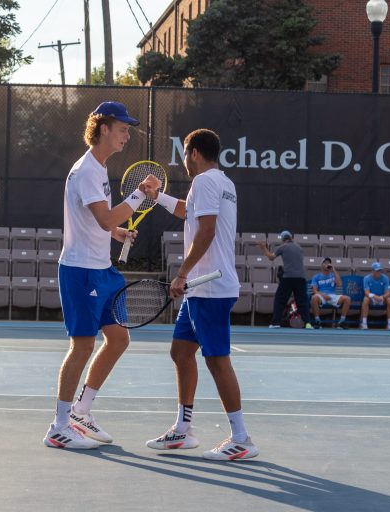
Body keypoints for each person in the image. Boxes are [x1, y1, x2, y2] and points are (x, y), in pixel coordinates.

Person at [139, 128, 259, 460]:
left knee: (217, 360)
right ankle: (182, 430)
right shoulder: (223, 183)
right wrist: (157, 195)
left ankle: (242, 438)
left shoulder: (205, 182)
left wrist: (182, 273)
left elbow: (206, 230)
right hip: (201, 289)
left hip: (210, 288)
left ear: (193, 153)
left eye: (184, 155)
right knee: (180, 352)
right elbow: (187, 212)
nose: (183, 162)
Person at [43, 101, 147, 450]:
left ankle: (81, 412)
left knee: (118, 339)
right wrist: (139, 195)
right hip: (81, 271)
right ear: (103, 128)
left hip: (102, 269)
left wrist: (116, 234)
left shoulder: (99, 169)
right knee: (83, 345)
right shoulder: (87, 170)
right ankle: (58, 426)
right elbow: (105, 218)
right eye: (122, 128)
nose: (126, 134)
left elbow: (99, 222)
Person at [257, 232, 312, 329]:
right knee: (302, 301)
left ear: (283, 239)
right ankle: (308, 323)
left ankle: (275, 323)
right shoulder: (299, 248)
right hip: (301, 278)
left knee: (280, 300)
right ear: (291, 238)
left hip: (288, 277)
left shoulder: (283, 247)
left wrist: (263, 247)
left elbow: (271, 257)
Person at [310, 257, 350, 329]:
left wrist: (334, 269)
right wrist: (324, 295)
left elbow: (339, 284)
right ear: (321, 265)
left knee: (347, 299)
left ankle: (341, 322)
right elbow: (315, 291)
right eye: (325, 263)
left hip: (333, 296)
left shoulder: (333, 275)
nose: (327, 264)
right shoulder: (316, 277)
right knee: (314, 297)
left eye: (328, 262)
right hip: (321, 296)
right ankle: (317, 321)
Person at [360, 262, 390, 331]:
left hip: (382, 298)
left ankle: (389, 324)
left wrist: (382, 297)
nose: (379, 272)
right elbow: (366, 292)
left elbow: (388, 292)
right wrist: (375, 296)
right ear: (372, 271)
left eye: (380, 270)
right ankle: (364, 323)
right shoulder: (366, 278)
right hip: (372, 298)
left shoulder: (385, 278)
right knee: (365, 300)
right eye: (377, 271)